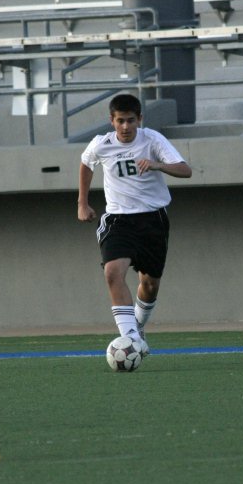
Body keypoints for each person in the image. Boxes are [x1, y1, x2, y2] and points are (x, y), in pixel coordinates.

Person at [77, 93, 192, 354]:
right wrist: (82, 203)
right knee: (112, 272)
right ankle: (130, 339)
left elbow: (186, 170)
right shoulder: (101, 144)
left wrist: (157, 165)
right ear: (112, 121)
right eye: (120, 121)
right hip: (118, 220)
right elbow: (86, 164)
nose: (126, 127)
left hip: (153, 220)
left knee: (150, 285)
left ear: (140, 119)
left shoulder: (153, 140)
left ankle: (137, 327)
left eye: (131, 121)